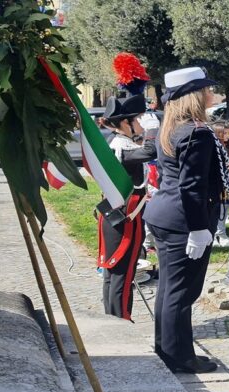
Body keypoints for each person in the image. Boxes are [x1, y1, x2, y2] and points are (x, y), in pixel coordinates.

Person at [143, 66, 229, 374]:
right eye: (205, 89)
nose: (210, 93)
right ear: (194, 95)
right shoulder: (195, 132)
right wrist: (198, 229)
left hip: (165, 215)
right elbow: (192, 186)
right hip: (183, 220)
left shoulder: (173, 126)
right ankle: (179, 358)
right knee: (181, 293)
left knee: (170, 289)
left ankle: (167, 351)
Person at [97, 93, 157, 320]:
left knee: (115, 274)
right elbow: (150, 152)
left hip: (119, 216)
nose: (142, 122)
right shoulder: (122, 146)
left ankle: (112, 319)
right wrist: (152, 131)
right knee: (121, 273)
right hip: (125, 219)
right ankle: (119, 321)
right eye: (139, 118)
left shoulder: (120, 142)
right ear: (125, 123)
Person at [210, 122, 229, 247]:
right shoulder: (214, 147)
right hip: (217, 184)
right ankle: (214, 235)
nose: (227, 135)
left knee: (225, 209)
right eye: (224, 133)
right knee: (217, 210)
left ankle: (222, 234)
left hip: (228, 184)